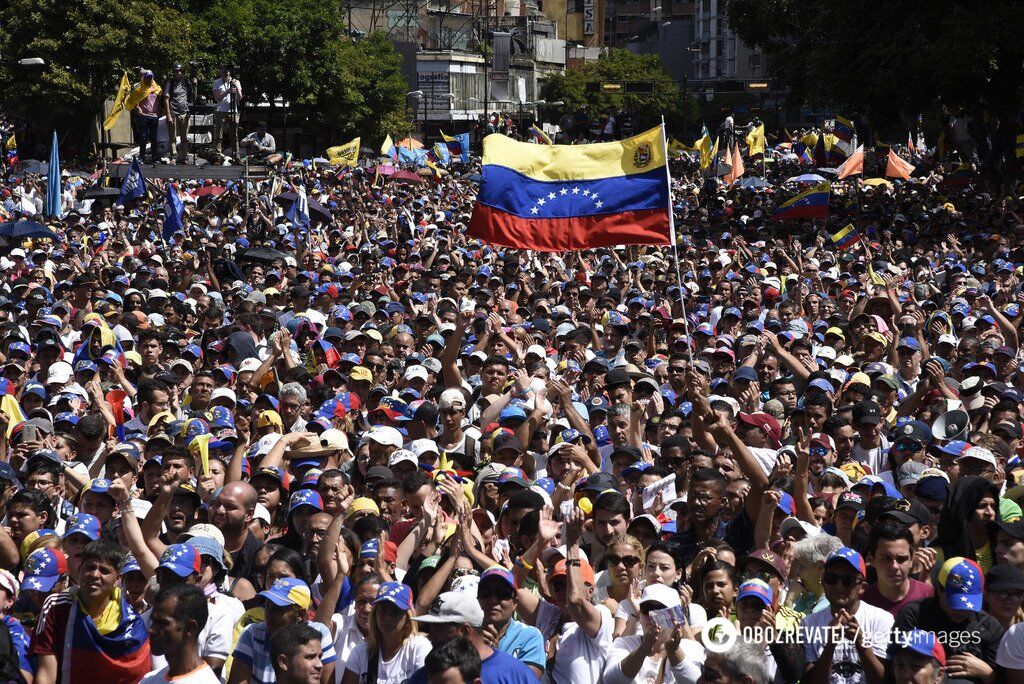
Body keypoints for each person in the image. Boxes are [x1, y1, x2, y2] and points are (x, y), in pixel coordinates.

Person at [30, 540, 151, 683]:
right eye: (90, 567)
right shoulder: (56, 606)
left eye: (104, 571)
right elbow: (46, 674)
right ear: (80, 569)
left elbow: (137, 675)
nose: (95, 575)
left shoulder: (131, 621)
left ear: (117, 579)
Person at [407, 590, 535, 683]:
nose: (431, 635)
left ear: (464, 630)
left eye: (439, 628)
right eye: (431, 627)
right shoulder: (426, 675)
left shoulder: (515, 674)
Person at [229, 578, 336, 684]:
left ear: (300, 614)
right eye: (267, 606)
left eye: (277, 609)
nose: (268, 613)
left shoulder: (319, 635)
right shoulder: (252, 633)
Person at [141, 584, 219, 684]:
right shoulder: (149, 679)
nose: (150, 630)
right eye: (153, 622)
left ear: (190, 628)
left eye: (161, 623)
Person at [163, 64, 193, 164]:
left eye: (179, 71)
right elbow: (166, 99)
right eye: (175, 71)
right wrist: (168, 115)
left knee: (184, 137)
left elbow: (192, 96)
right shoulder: (170, 82)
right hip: (173, 113)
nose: (177, 73)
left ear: (182, 72)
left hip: (184, 112)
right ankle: (174, 157)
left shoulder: (186, 82)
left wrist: (195, 85)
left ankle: (184, 157)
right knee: (173, 137)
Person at [212, 66, 242, 158]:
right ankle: (217, 157)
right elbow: (217, 98)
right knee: (218, 135)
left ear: (230, 73)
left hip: (233, 111)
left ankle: (236, 157)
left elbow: (239, 97)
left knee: (234, 135)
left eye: (227, 73)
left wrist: (235, 86)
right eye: (223, 73)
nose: (225, 74)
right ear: (221, 73)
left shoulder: (236, 82)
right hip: (221, 111)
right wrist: (227, 91)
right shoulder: (217, 82)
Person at [134, 70, 162, 164]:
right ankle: (142, 157)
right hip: (144, 116)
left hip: (154, 116)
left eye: (150, 78)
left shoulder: (157, 88)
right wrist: (138, 109)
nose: (149, 79)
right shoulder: (140, 88)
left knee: (154, 138)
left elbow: (160, 101)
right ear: (144, 78)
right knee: (143, 137)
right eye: (147, 78)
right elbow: (135, 100)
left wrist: (158, 113)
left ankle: (154, 158)